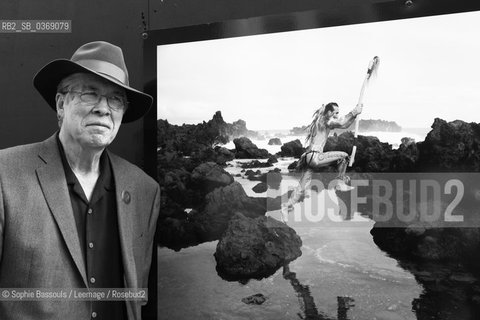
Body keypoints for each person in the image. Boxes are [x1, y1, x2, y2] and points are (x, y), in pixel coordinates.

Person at [0, 41, 160, 320]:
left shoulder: (145, 189)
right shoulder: (5, 174)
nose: (103, 109)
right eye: (90, 94)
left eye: (116, 99)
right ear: (61, 104)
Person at [281, 102, 362, 220]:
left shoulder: (320, 121)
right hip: (315, 157)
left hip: (309, 159)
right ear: (329, 112)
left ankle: (286, 206)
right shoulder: (324, 121)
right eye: (336, 113)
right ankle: (339, 183)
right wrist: (354, 111)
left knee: (301, 188)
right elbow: (341, 122)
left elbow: (344, 125)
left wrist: (354, 115)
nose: (337, 115)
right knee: (344, 156)